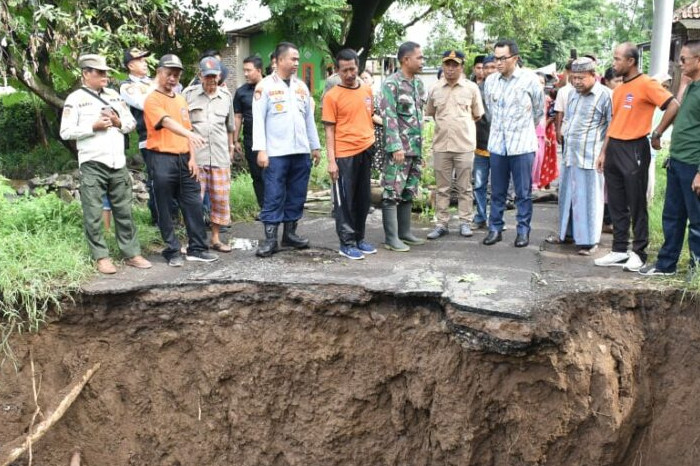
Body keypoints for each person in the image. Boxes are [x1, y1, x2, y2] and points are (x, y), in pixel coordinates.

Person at [60, 54, 152, 274]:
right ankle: (101, 256)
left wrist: (119, 122)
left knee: (124, 210)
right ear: (86, 73)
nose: (105, 76)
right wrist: (92, 126)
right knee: (93, 213)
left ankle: (131, 253)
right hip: (93, 162)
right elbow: (65, 132)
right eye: (99, 72)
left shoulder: (113, 95)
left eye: (106, 72)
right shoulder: (75, 99)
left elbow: (130, 123)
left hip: (117, 161)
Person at [594, 42, 679, 271]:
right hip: (614, 149)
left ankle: (639, 252)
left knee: (636, 203)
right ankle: (619, 249)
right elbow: (615, 122)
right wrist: (603, 151)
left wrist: (657, 132)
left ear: (631, 61)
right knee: (617, 203)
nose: (614, 63)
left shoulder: (647, 84)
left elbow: (673, 105)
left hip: (634, 148)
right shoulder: (619, 90)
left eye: (617, 59)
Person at [143, 54, 218, 267]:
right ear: (159, 73)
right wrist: (188, 135)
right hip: (161, 158)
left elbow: (188, 129)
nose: (173, 79)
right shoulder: (152, 99)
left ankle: (197, 248)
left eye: (176, 75)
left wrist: (193, 158)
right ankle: (172, 249)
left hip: (185, 158)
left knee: (193, 203)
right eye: (169, 74)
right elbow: (165, 121)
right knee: (165, 206)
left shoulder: (181, 100)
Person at [252, 42, 321, 257]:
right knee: (273, 194)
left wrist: (315, 146)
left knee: (297, 193)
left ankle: (290, 234)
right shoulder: (264, 87)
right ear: (280, 60)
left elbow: (308, 119)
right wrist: (261, 150)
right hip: (276, 152)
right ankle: (270, 239)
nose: (296, 63)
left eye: (298, 59)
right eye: (293, 59)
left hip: (300, 151)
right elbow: (258, 121)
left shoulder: (301, 87)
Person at [639, 41, 700, 276]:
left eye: (684, 59)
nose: (679, 63)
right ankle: (666, 265)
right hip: (677, 160)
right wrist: (658, 134)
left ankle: (696, 271)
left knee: (696, 222)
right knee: (672, 216)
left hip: (693, 164)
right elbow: (679, 109)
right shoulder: (692, 87)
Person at [482, 39, 545, 248]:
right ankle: (495, 229)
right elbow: (490, 112)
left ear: (515, 58)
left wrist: (522, 128)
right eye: (495, 58)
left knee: (523, 192)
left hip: (522, 145)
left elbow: (538, 111)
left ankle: (523, 231)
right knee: (497, 191)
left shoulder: (530, 80)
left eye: (503, 58)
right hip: (498, 145)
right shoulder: (491, 82)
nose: (498, 62)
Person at [322, 49, 377, 260]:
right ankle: (346, 242)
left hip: (366, 149)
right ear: (337, 70)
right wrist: (332, 161)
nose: (349, 74)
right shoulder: (332, 96)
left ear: (358, 67)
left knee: (363, 199)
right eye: (344, 70)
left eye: (352, 69)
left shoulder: (366, 90)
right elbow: (329, 129)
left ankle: (360, 238)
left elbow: (368, 116)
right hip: (344, 153)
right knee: (345, 201)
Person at [425, 49, 484, 240]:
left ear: (462, 67)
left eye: (455, 65)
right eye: (447, 65)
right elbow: (431, 112)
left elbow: (477, 114)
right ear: (443, 66)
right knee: (442, 188)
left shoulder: (471, 88)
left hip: (464, 145)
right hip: (442, 145)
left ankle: (465, 222)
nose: (450, 69)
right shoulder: (434, 89)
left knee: (464, 187)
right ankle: (441, 223)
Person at [555, 57, 612, 255]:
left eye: (581, 78)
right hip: (570, 155)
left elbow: (612, 127)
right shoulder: (572, 94)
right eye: (574, 78)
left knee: (590, 199)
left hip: (591, 156)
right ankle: (567, 234)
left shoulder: (605, 95)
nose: (577, 82)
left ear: (593, 76)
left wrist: (604, 153)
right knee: (568, 196)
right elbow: (568, 118)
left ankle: (589, 241)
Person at [183, 56, 236, 253]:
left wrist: (231, 148)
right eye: (207, 77)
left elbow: (230, 126)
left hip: (220, 157)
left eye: (214, 77)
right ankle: (194, 240)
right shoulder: (188, 95)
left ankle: (215, 238)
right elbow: (184, 128)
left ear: (219, 76)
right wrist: (189, 157)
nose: (211, 81)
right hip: (197, 157)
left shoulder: (226, 97)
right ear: (200, 76)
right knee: (195, 201)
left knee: (220, 200)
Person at [380, 41, 427, 252]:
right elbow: (389, 116)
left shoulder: (418, 84)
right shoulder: (392, 84)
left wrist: (421, 149)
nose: (422, 61)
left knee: (408, 191)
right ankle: (391, 238)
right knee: (392, 192)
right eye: (419, 57)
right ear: (405, 59)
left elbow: (419, 117)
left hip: (415, 148)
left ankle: (404, 232)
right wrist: (396, 146)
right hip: (399, 150)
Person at [120, 47, 159, 224]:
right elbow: (144, 103)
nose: (145, 63)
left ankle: (173, 217)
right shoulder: (127, 86)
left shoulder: (152, 82)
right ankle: (158, 219)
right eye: (140, 61)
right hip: (149, 137)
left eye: (145, 60)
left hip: (169, 135)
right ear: (130, 65)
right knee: (156, 179)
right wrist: (157, 83)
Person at [233, 55, 265, 210]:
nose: (245, 74)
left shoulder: (271, 87)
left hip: (271, 139)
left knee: (274, 174)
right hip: (250, 139)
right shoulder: (241, 92)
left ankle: (277, 207)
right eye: (244, 70)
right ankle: (264, 208)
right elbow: (237, 117)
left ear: (258, 70)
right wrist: (235, 140)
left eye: (248, 70)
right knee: (257, 175)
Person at [472, 54, 497, 230]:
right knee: (479, 184)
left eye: (492, 67)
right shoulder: (475, 90)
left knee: (497, 187)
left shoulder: (505, 89)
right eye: (486, 67)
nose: (488, 71)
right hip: (479, 145)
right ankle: (480, 216)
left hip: (499, 146)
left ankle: (496, 219)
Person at [361, 70, 386, 173]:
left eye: (366, 78)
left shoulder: (379, 93)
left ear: (372, 79)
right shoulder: (363, 96)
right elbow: (370, 114)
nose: (364, 80)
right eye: (362, 78)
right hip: (372, 129)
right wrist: (386, 123)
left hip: (382, 130)